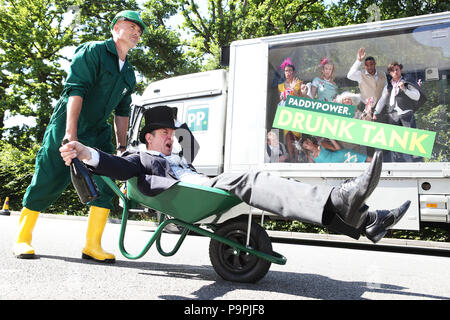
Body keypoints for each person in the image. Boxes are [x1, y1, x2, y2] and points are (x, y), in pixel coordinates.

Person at [60, 106, 411, 244]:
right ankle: (341, 199)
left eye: (172, 131)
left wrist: (177, 128)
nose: (170, 135)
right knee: (252, 178)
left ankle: (365, 222)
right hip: (188, 193)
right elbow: (116, 166)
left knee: (265, 185)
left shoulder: (181, 153)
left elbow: (189, 142)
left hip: (202, 189)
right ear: (148, 137)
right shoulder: (139, 155)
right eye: (163, 131)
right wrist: (86, 152)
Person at [13, 10, 148, 263]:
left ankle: (92, 245)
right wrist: (69, 135)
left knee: (106, 182)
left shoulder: (129, 73)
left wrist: (121, 147)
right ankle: (23, 238)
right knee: (48, 179)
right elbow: (76, 91)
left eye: (139, 31)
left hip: (98, 132)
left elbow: (121, 111)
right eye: (131, 27)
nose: (136, 33)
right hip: (67, 126)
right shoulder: (93, 52)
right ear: (116, 28)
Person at [373, 62, 423, 162]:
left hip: (406, 114)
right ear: (390, 73)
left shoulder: (407, 81)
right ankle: (398, 162)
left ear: (400, 70)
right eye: (392, 70)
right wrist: (375, 112)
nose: (395, 72)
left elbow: (417, 96)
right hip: (393, 115)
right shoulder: (388, 86)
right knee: (395, 141)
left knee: (411, 139)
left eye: (397, 69)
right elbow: (383, 99)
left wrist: (404, 89)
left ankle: (416, 162)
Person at [278, 57, 309, 162]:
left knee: (296, 138)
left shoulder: (299, 82)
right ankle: (292, 160)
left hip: (296, 113)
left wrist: (293, 89)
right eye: (286, 71)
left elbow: (301, 98)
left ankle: (298, 159)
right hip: (286, 114)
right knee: (288, 136)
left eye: (290, 70)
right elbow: (281, 99)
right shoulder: (280, 86)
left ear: (293, 72)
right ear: (284, 72)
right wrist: (288, 90)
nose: (288, 72)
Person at [347, 48, 387, 116]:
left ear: (375, 63)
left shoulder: (382, 74)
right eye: (367, 65)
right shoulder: (361, 74)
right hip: (365, 107)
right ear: (364, 66)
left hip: (381, 108)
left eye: (371, 64)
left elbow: (385, 91)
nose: (369, 67)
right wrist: (358, 60)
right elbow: (349, 75)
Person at [301, 135, 371, 163]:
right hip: (339, 167)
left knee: (367, 160)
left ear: (309, 140)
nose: (308, 145)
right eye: (306, 146)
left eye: (307, 142)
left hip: (345, 156)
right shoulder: (311, 156)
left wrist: (331, 139)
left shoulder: (322, 144)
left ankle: (380, 163)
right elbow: (312, 168)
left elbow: (338, 149)